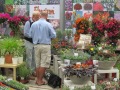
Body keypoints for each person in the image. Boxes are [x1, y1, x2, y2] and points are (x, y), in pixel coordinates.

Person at [29, 11, 56, 85]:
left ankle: (38, 80)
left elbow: (30, 35)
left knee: (37, 64)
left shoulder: (34, 24)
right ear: (46, 16)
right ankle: (40, 81)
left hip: (36, 46)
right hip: (45, 45)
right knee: (43, 64)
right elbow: (53, 35)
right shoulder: (48, 24)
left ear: (40, 15)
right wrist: (48, 37)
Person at [24, 11, 40, 79]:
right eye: (36, 17)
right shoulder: (28, 23)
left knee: (34, 58)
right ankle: (28, 73)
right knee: (29, 57)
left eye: (38, 17)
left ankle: (32, 71)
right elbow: (26, 33)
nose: (37, 19)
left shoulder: (36, 23)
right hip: (28, 42)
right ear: (33, 17)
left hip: (34, 43)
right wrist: (34, 36)